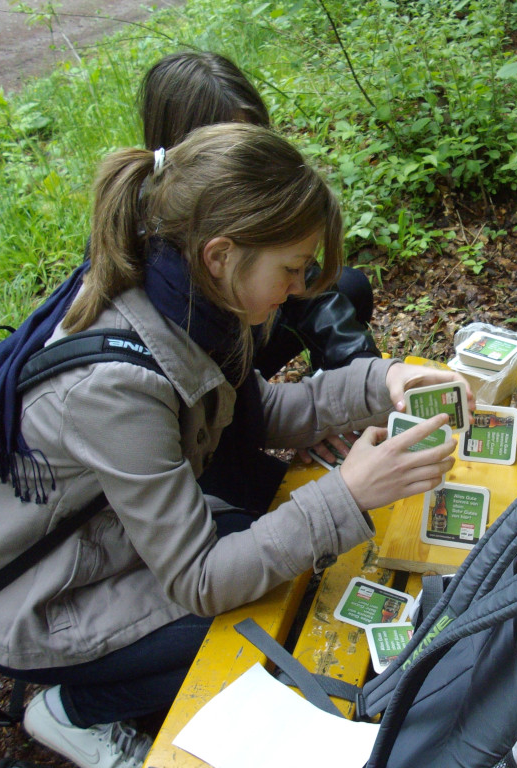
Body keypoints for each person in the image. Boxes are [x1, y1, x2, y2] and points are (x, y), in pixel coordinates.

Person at [0, 123, 471, 768]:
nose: (299, 288)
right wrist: (349, 494)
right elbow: (199, 581)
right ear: (222, 254)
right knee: (249, 623)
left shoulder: (188, 301)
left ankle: (120, 686)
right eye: (291, 268)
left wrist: (381, 379)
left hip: (109, 546)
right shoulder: (118, 385)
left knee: (272, 556)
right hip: (38, 603)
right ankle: (70, 709)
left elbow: (260, 414)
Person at [139, 50, 381, 490]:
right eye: (232, 145)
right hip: (192, 396)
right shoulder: (148, 248)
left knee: (347, 288)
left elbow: (303, 279)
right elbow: (192, 559)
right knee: (270, 497)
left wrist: (358, 387)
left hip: (236, 359)